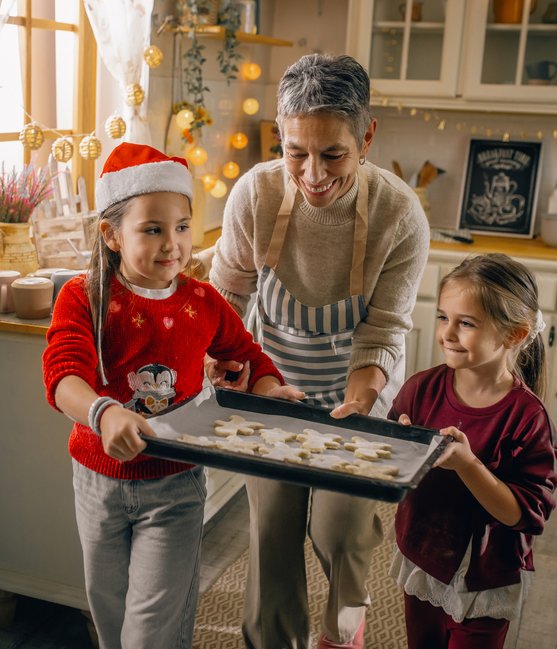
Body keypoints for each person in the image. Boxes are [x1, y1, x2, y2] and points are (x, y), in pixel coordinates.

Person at [209, 53, 430, 649]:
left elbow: (382, 330)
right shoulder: (254, 195)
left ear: (367, 136)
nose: (312, 173)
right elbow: (226, 297)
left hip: (358, 397)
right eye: (295, 151)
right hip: (273, 392)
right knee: (272, 529)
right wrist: (227, 364)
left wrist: (358, 403)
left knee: (341, 531)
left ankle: (341, 636)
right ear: (280, 135)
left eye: (333, 154)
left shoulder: (399, 214)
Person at [42, 142, 300, 649]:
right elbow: (62, 375)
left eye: (181, 227)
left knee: (150, 634)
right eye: (152, 229)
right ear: (112, 234)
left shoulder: (203, 301)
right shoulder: (84, 296)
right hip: (97, 483)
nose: (173, 244)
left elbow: (248, 357)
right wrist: (103, 411)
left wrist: (270, 388)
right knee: (111, 619)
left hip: (175, 485)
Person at [387, 253, 557, 649]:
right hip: (424, 554)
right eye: (443, 317)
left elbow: (521, 514)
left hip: (484, 578)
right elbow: (391, 461)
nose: (448, 333)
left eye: (466, 323)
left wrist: (468, 464)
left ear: (514, 335)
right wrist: (397, 445)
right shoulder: (420, 389)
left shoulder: (528, 419)